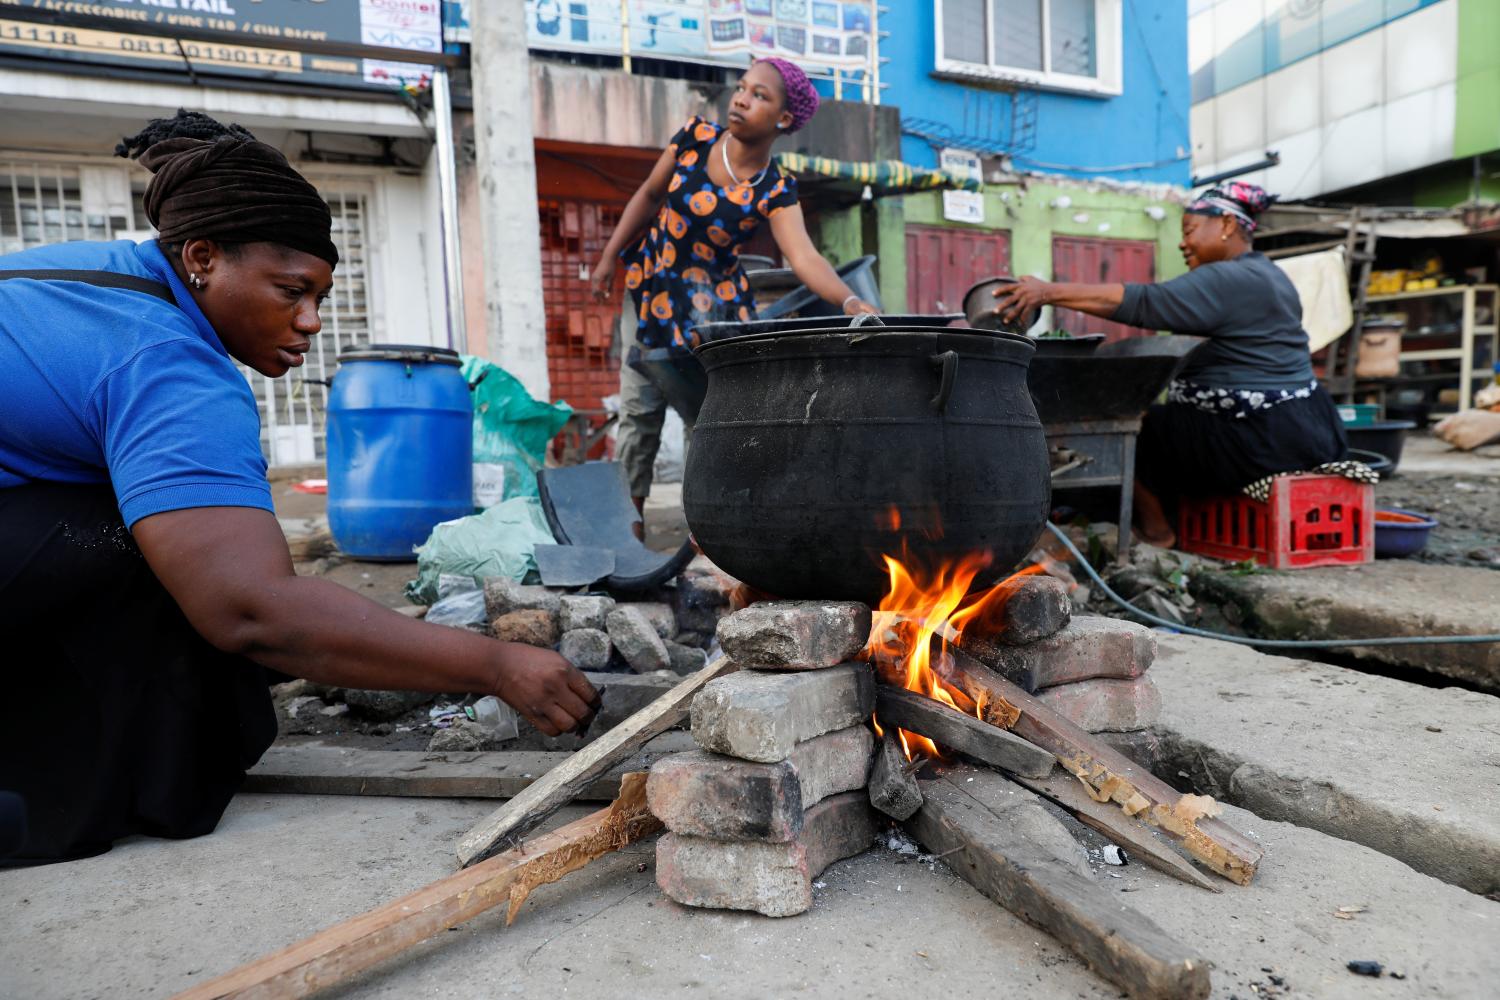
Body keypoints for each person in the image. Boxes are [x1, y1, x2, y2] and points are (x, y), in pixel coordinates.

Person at [0, 110, 599, 864]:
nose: (311, 321)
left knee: (181, 533)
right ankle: (48, 796)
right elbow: (251, 611)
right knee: (154, 559)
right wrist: (494, 664)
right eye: (290, 291)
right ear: (202, 258)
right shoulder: (168, 365)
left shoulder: (98, 275)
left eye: (317, 295)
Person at [590, 58, 878, 521]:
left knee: (704, 418)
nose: (741, 98)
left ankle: (704, 530)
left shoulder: (775, 188)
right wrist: (609, 257)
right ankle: (632, 524)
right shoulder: (693, 138)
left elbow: (803, 256)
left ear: (783, 119)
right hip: (650, 290)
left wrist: (847, 299)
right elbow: (647, 195)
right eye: (742, 88)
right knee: (639, 409)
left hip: (713, 311)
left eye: (759, 95)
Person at [993, 181, 1349, 546]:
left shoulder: (1230, 278)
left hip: (1262, 440)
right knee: (1165, 422)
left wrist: (1049, 292)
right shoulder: (1270, 275)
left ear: (1226, 224)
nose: (1183, 243)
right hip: (1310, 428)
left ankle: (1157, 530)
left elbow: (1146, 302)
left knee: (1129, 431)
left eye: (1190, 230)